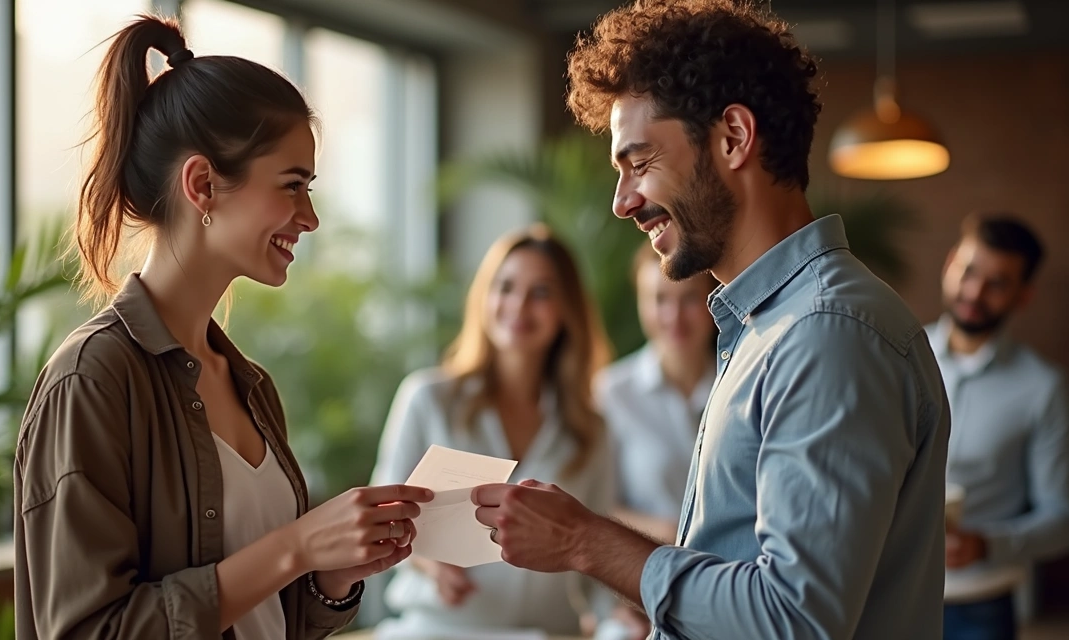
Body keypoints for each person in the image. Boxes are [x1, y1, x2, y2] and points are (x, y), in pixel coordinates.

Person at [470, 2, 951, 639]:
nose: (622, 202)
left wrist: (587, 542)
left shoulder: (827, 334)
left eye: (639, 163)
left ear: (733, 137)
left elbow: (793, 620)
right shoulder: (766, 329)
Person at [12, 16, 431, 640]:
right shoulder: (93, 378)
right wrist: (295, 546)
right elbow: (85, 630)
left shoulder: (250, 386)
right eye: (292, 186)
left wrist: (331, 575)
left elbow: (268, 617)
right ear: (203, 185)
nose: (309, 217)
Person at [370, 224, 616, 636]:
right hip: (440, 629)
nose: (519, 306)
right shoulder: (428, 399)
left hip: (547, 634)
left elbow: (598, 556)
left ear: (566, 309)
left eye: (541, 292)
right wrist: (428, 564)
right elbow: (380, 518)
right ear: (484, 298)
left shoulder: (592, 432)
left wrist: (619, 621)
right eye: (505, 287)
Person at [929, 214, 1069, 640]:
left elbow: (1061, 518)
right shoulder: (897, 359)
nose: (975, 292)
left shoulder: (1043, 388)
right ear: (950, 263)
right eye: (969, 271)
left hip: (981, 606)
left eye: (998, 283)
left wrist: (986, 545)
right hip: (890, 590)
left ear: (1023, 296)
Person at [595, 240, 717, 640]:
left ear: (712, 301)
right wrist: (668, 530)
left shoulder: (740, 387)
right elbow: (595, 502)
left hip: (726, 581)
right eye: (658, 299)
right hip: (637, 580)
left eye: (688, 300)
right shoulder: (611, 393)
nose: (673, 316)